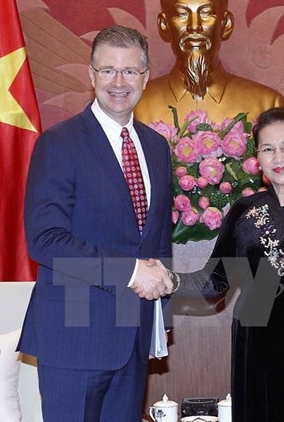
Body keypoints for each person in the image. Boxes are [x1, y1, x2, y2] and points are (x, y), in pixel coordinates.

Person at [143, 108, 284, 421]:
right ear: (257, 158)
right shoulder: (242, 211)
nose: (279, 157)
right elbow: (214, 282)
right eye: (268, 149)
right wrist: (167, 279)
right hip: (255, 350)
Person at [17, 25, 176, 422]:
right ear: (91, 76)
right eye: (107, 71)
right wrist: (131, 271)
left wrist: (161, 308)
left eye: (129, 71)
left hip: (133, 336)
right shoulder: (59, 143)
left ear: (146, 76)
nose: (118, 82)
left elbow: (155, 240)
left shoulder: (156, 148)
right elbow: (46, 241)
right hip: (75, 335)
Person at [134, 0, 284, 124]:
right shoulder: (136, 105)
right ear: (164, 25)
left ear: (225, 24)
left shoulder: (267, 105)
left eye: (206, 13)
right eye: (181, 14)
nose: (194, 27)